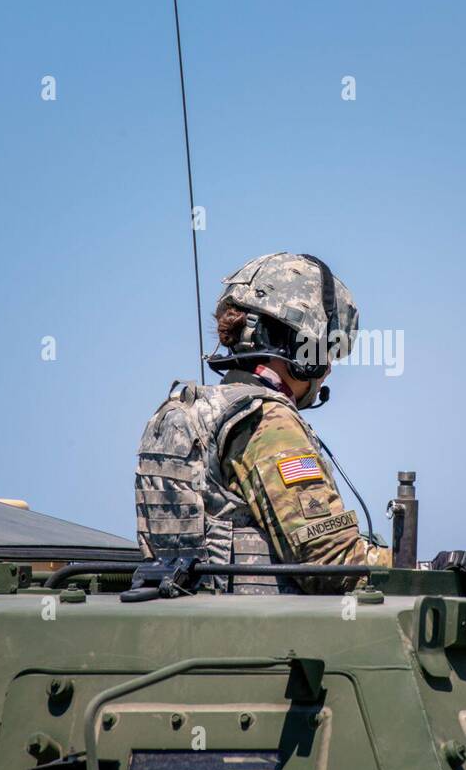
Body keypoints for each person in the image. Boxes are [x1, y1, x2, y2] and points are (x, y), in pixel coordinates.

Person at [135, 252, 390, 594]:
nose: (328, 368)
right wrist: (421, 568)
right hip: (264, 638)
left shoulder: (184, 410)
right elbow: (332, 564)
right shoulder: (266, 421)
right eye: (326, 350)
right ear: (305, 347)